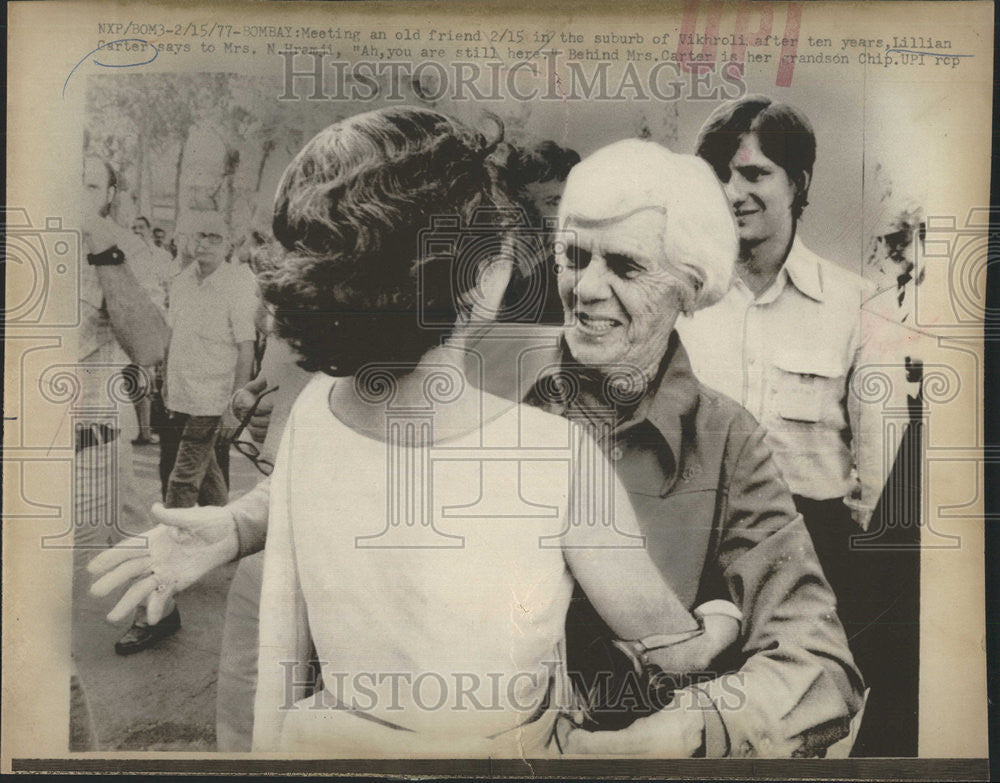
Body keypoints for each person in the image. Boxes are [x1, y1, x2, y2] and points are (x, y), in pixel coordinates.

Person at [90, 133, 864, 757]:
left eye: (624, 265)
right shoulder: (490, 371)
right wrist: (239, 522)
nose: (586, 287)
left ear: (688, 284)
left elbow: (820, 667)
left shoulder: (731, 442)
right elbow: (355, 474)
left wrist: (690, 732)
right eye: (574, 256)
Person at [677, 95, 912, 754]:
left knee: (795, 743)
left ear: (798, 182)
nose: (733, 192)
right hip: (691, 565)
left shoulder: (858, 305)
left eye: (754, 174)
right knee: (697, 740)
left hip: (814, 564)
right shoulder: (680, 298)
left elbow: (879, 483)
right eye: (720, 174)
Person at [77, 156, 171, 659]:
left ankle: (158, 610)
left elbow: (151, 344)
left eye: (90, 184)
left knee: (128, 529)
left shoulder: (124, 244)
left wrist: (99, 245)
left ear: (109, 194)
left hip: (92, 432)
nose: (75, 193)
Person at [159, 209, 257, 510]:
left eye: (214, 238)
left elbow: (246, 348)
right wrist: (165, 382)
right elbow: (172, 337)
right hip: (179, 396)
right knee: (209, 475)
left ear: (227, 245)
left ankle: (173, 541)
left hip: (213, 399)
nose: (204, 244)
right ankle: (224, 536)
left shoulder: (237, 285)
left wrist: (235, 404)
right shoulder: (181, 282)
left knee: (183, 481)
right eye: (200, 236)